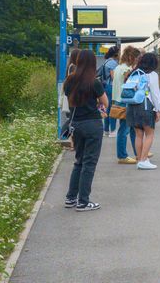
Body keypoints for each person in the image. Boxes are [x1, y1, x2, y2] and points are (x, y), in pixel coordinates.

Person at [64, 50, 107, 211]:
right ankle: (83, 201)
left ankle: (70, 198)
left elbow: (71, 101)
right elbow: (105, 102)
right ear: (92, 63)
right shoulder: (94, 82)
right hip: (93, 125)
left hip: (76, 124)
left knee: (79, 162)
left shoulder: (69, 81)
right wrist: (97, 105)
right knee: (89, 163)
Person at [126, 53, 160, 170]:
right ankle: (143, 160)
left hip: (132, 107)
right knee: (150, 134)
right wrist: (158, 109)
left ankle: (141, 159)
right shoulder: (152, 74)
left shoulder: (134, 73)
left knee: (138, 135)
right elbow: (155, 94)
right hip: (145, 106)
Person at [112, 46, 141, 164]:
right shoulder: (126, 69)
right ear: (130, 57)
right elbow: (129, 85)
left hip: (118, 100)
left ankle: (138, 152)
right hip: (125, 101)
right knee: (124, 130)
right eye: (136, 58)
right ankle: (122, 156)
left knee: (132, 129)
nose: (136, 61)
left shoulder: (118, 67)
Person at [101, 46, 120, 137]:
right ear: (116, 54)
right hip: (111, 87)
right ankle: (112, 130)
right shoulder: (113, 63)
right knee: (113, 108)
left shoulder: (106, 61)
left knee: (107, 108)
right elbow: (113, 77)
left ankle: (106, 130)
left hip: (106, 86)